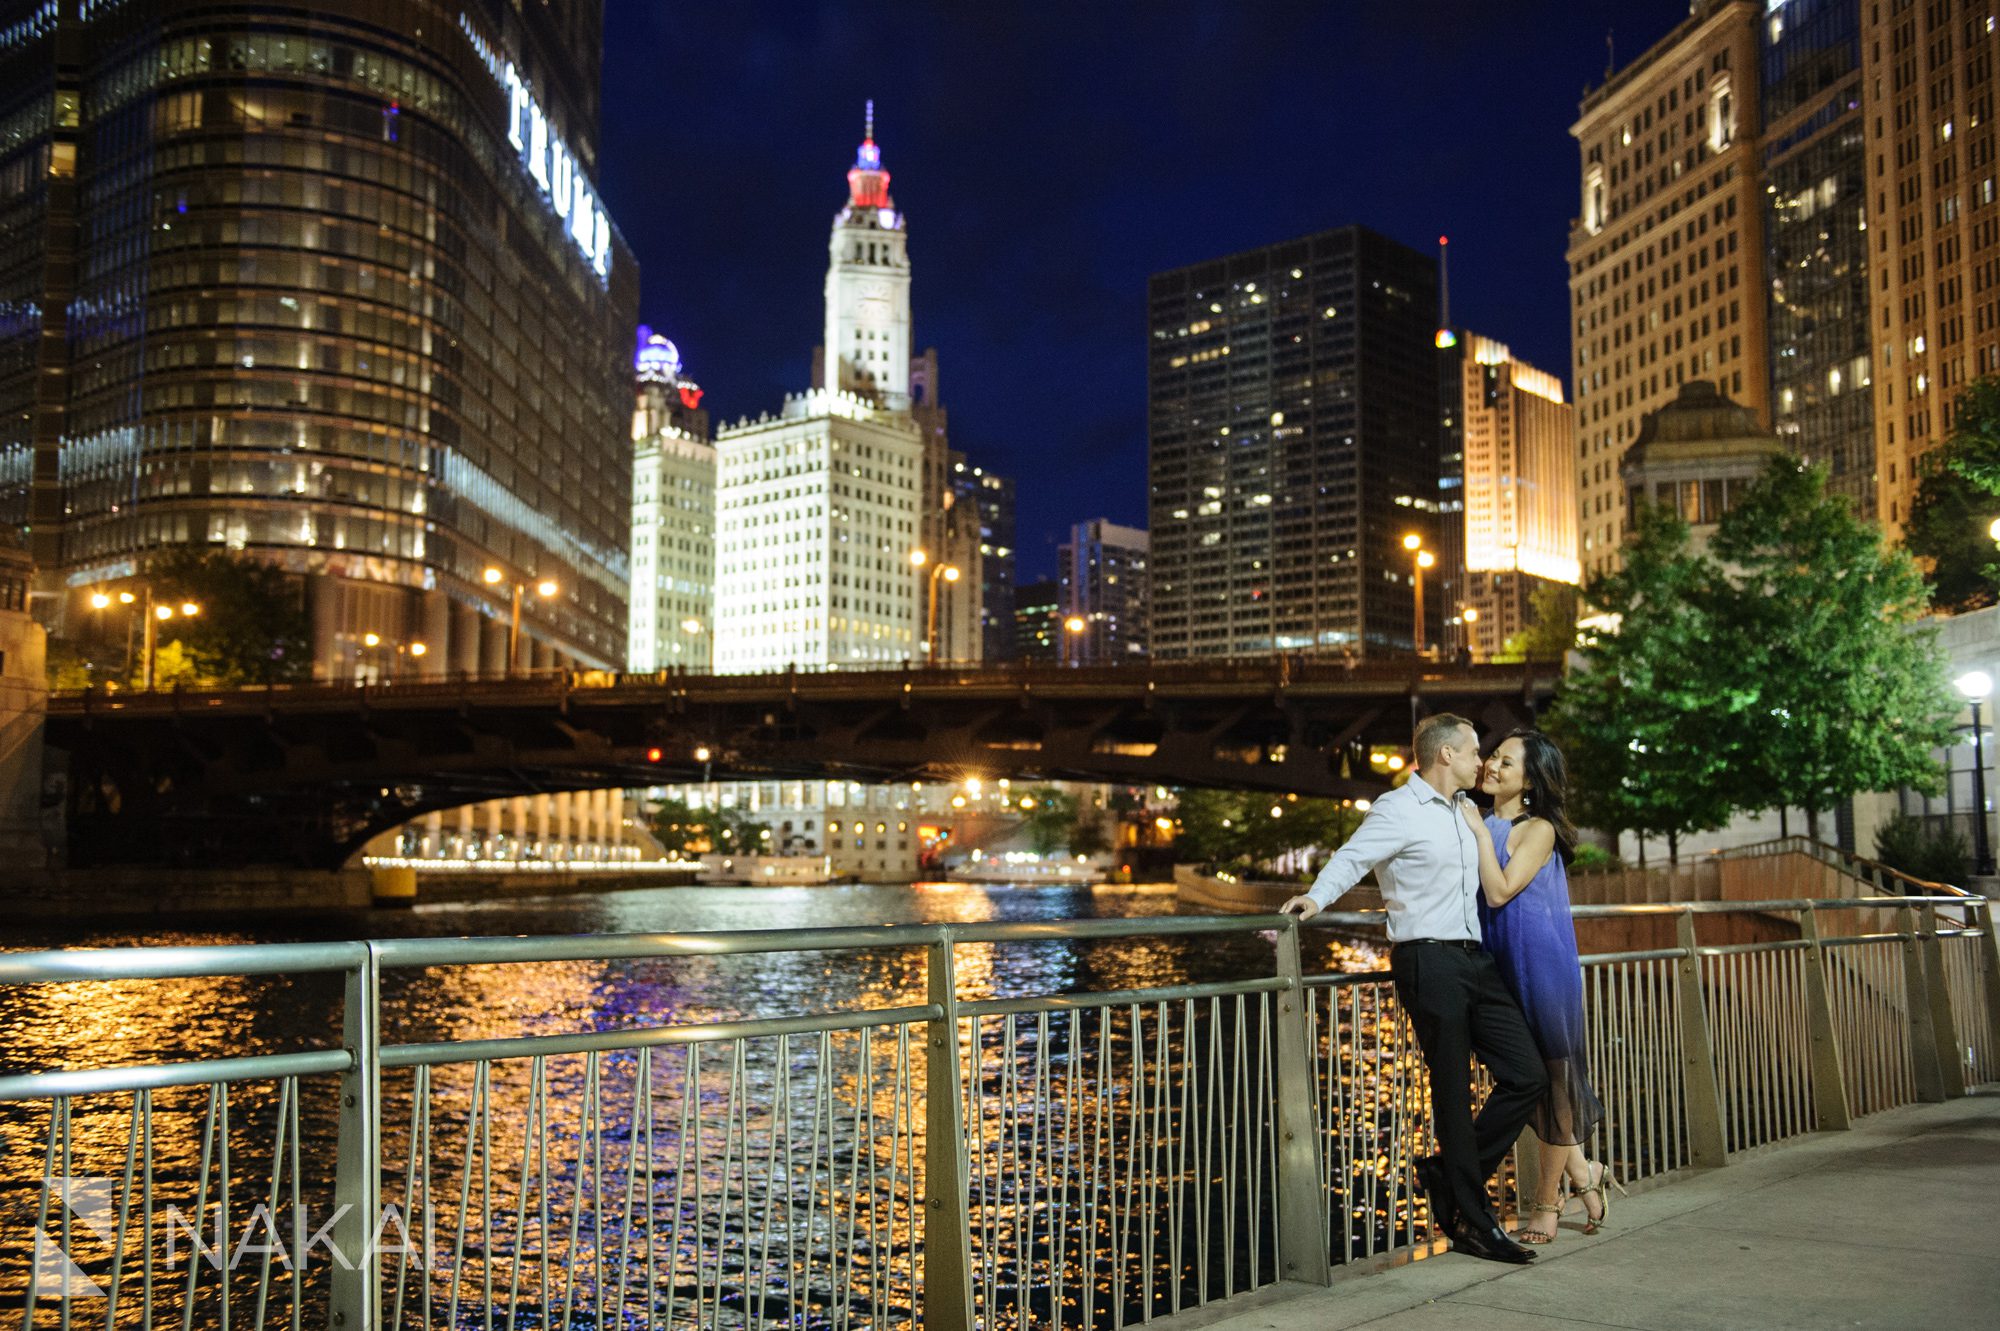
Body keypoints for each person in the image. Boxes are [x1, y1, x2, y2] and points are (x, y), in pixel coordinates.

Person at [1282, 713, 1548, 1265]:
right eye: (1476, 752)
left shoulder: (1465, 811)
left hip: (1477, 961)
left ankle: (1444, 1173)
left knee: (1527, 1073)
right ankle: (1475, 1226)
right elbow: (1351, 857)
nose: (1484, 761)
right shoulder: (1396, 809)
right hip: (1428, 960)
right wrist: (1314, 899)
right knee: (1451, 1090)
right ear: (1446, 755)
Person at [1458, 728, 1621, 1242]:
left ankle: (1546, 1203)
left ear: (1530, 780)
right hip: (1496, 967)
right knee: (1527, 1082)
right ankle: (1585, 1173)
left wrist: (1480, 835)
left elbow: (1501, 890)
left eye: (1507, 763)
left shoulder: (1539, 829)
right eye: (1494, 758)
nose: (1492, 767)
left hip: (1542, 968)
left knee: (1553, 1082)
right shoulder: (1477, 821)